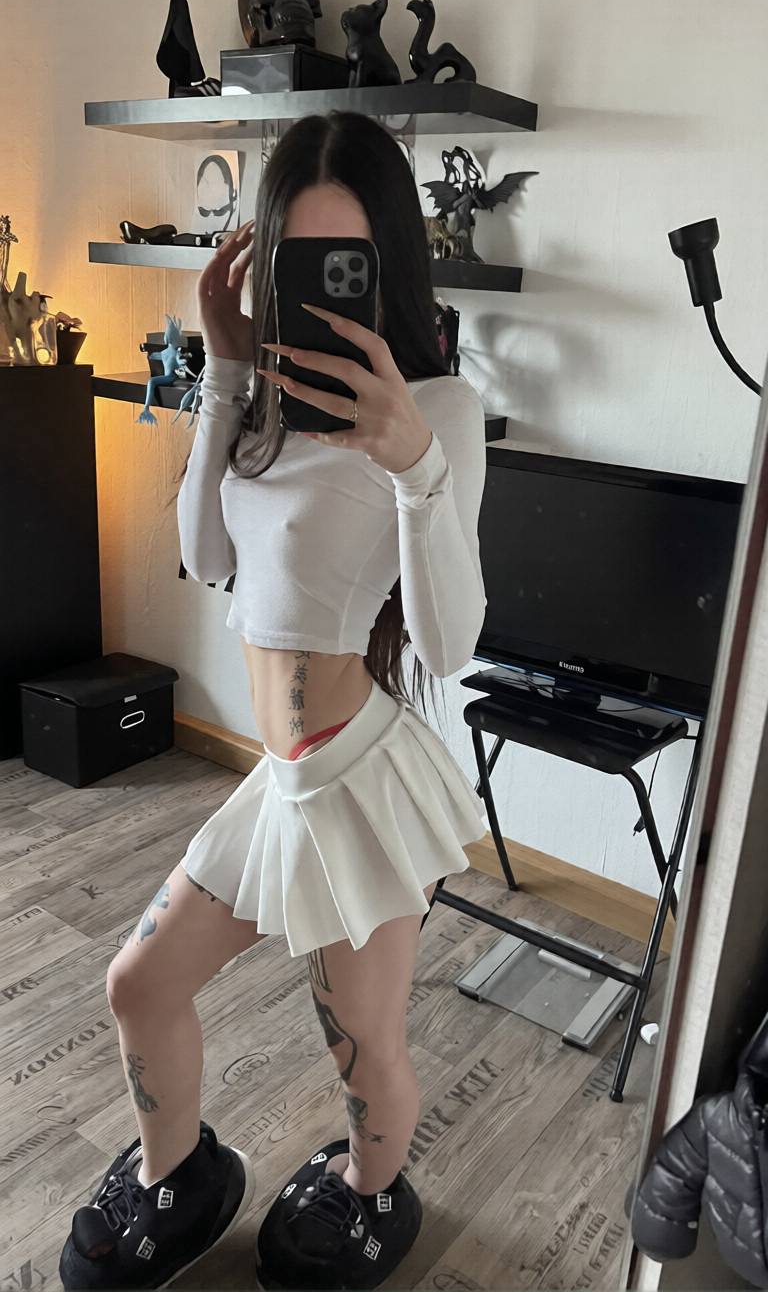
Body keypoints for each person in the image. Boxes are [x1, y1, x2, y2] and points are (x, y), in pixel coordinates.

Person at [59, 110, 490, 1292]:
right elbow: (205, 556)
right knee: (138, 981)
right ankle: (179, 1173)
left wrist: (413, 461)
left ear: (390, 263)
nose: (326, 291)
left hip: (358, 785)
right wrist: (226, 368)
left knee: (361, 1046)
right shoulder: (258, 400)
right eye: (300, 260)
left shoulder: (440, 408)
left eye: (348, 264)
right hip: (279, 782)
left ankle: (368, 1189)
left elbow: (450, 643)